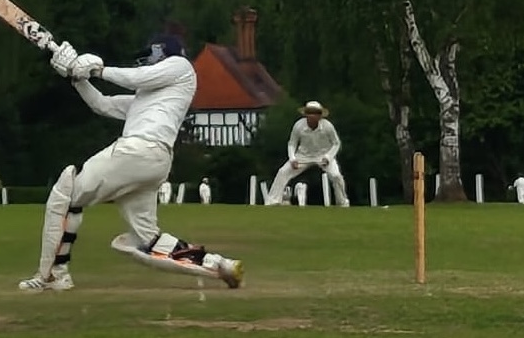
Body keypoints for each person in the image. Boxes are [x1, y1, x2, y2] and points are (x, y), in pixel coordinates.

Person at [17, 34, 244, 292]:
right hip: (153, 162)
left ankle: (53, 274)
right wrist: (76, 78)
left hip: (138, 150)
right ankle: (220, 265)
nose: (143, 62)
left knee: (65, 193)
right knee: (146, 240)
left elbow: (138, 78)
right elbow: (101, 104)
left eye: (149, 56)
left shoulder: (181, 67)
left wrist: (98, 69)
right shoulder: (146, 99)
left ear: (162, 54)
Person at [266, 101, 348, 206]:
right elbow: (292, 143)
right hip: (303, 155)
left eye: (315, 113)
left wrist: (328, 157)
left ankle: (342, 202)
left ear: (320, 116)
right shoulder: (299, 125)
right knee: (283, 172)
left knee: (336, 176)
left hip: (323, 155)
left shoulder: (327, 126)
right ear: (306, 114)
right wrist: (293, 159)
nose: (312, 116)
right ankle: (273, 201)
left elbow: (336, 143)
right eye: (309, 113)